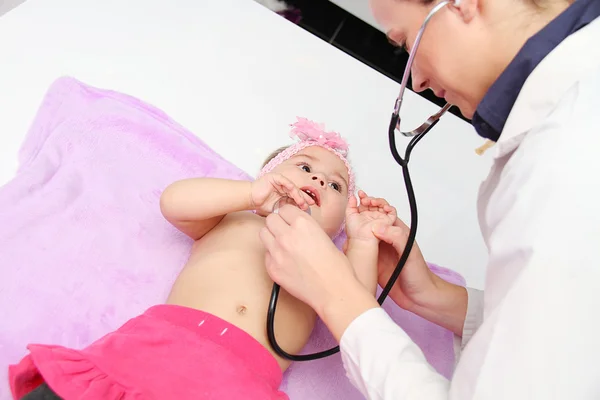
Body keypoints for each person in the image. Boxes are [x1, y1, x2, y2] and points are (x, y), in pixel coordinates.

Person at [258, 0, 600, 398]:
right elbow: (566, 326)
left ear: (461, 4)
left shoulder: (567, 165)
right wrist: (437, 298)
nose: (416, 80)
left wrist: (338, 298)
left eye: (406, 46)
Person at [8, 117, 398, 400]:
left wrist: (362, 240)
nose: (318, 182)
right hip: (161, 344)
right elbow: (174, 202)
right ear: (268, 175)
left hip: (239, 380)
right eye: (305, 167)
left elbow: (357, 309)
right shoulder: (235, 215)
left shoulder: (326, 262)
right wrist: (250, 196)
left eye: (335, 186)